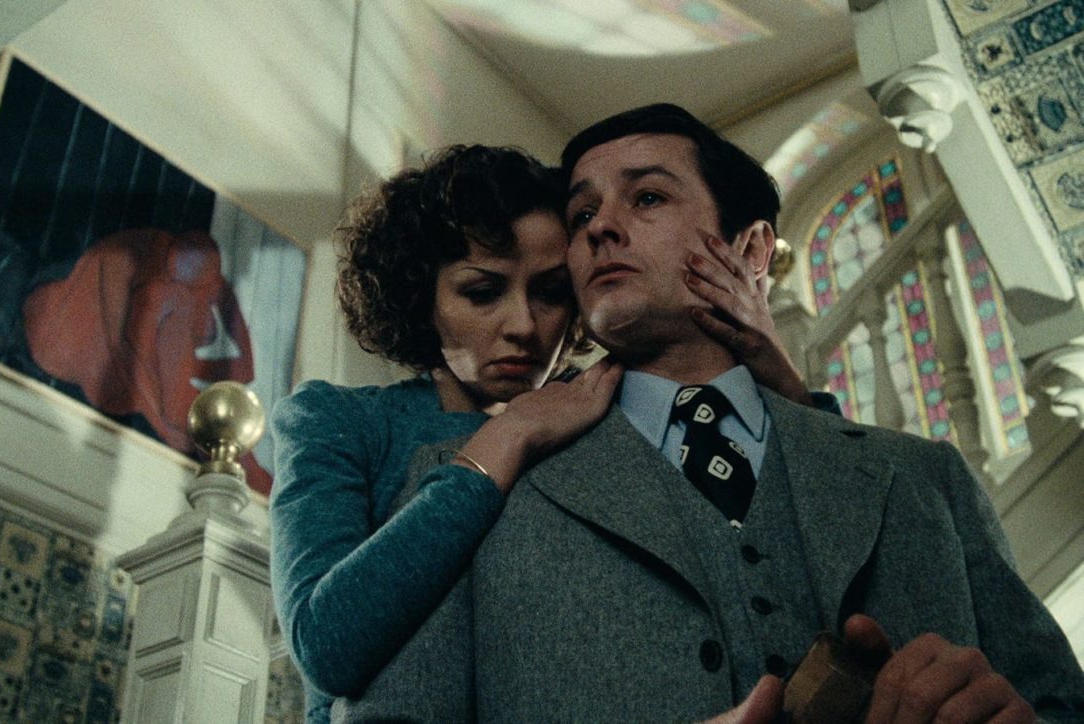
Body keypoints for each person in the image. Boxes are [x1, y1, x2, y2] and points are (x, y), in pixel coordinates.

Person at [339, 106, 1084, 722]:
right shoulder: (462, 486)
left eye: (647, 198)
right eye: (582, 212)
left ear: (752, 249)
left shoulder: (925, 478)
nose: (599, 228)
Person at [269, 143, 832, 723]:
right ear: (421, 296)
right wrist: (509, 436)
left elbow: (822, 520)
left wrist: (776, 368)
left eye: (550, 292)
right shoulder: (340, 422)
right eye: (482, 293)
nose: (523, 326)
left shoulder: (603, 409)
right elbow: (325, 647)